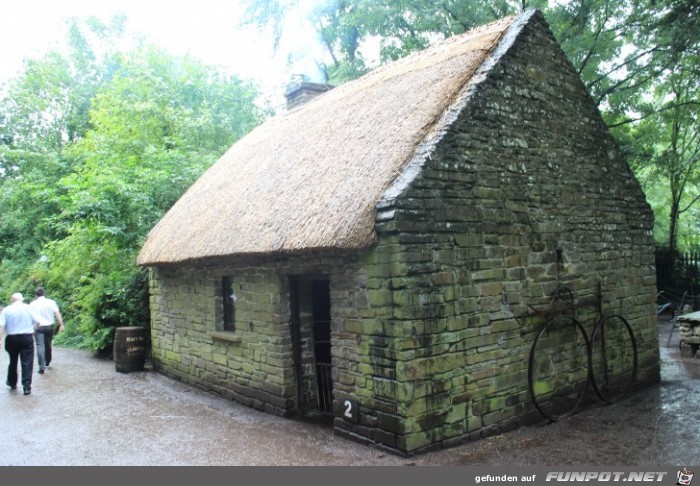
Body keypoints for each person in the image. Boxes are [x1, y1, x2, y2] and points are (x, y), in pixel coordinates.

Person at [0, 293, 44, 395]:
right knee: (27, 362)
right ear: (22, 299)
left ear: (12, 300)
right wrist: (33, 331)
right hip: (26, 337)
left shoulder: (6, 310)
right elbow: (38, 322)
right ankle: (27, 386)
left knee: (13, 361)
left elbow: (1, 326)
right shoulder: (28, 308)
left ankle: (12, 382)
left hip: (12, 338)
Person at [30, 287, 64, 374]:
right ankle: (48, 360)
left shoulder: (32, 304)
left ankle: (42, 366)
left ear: (36, 295)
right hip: (49, 327)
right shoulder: (51, 302)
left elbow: (29, 316)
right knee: (48, 344)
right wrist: (61, 324)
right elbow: (57, 313)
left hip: (38, 327)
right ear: (44, 294)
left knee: (40, 345)